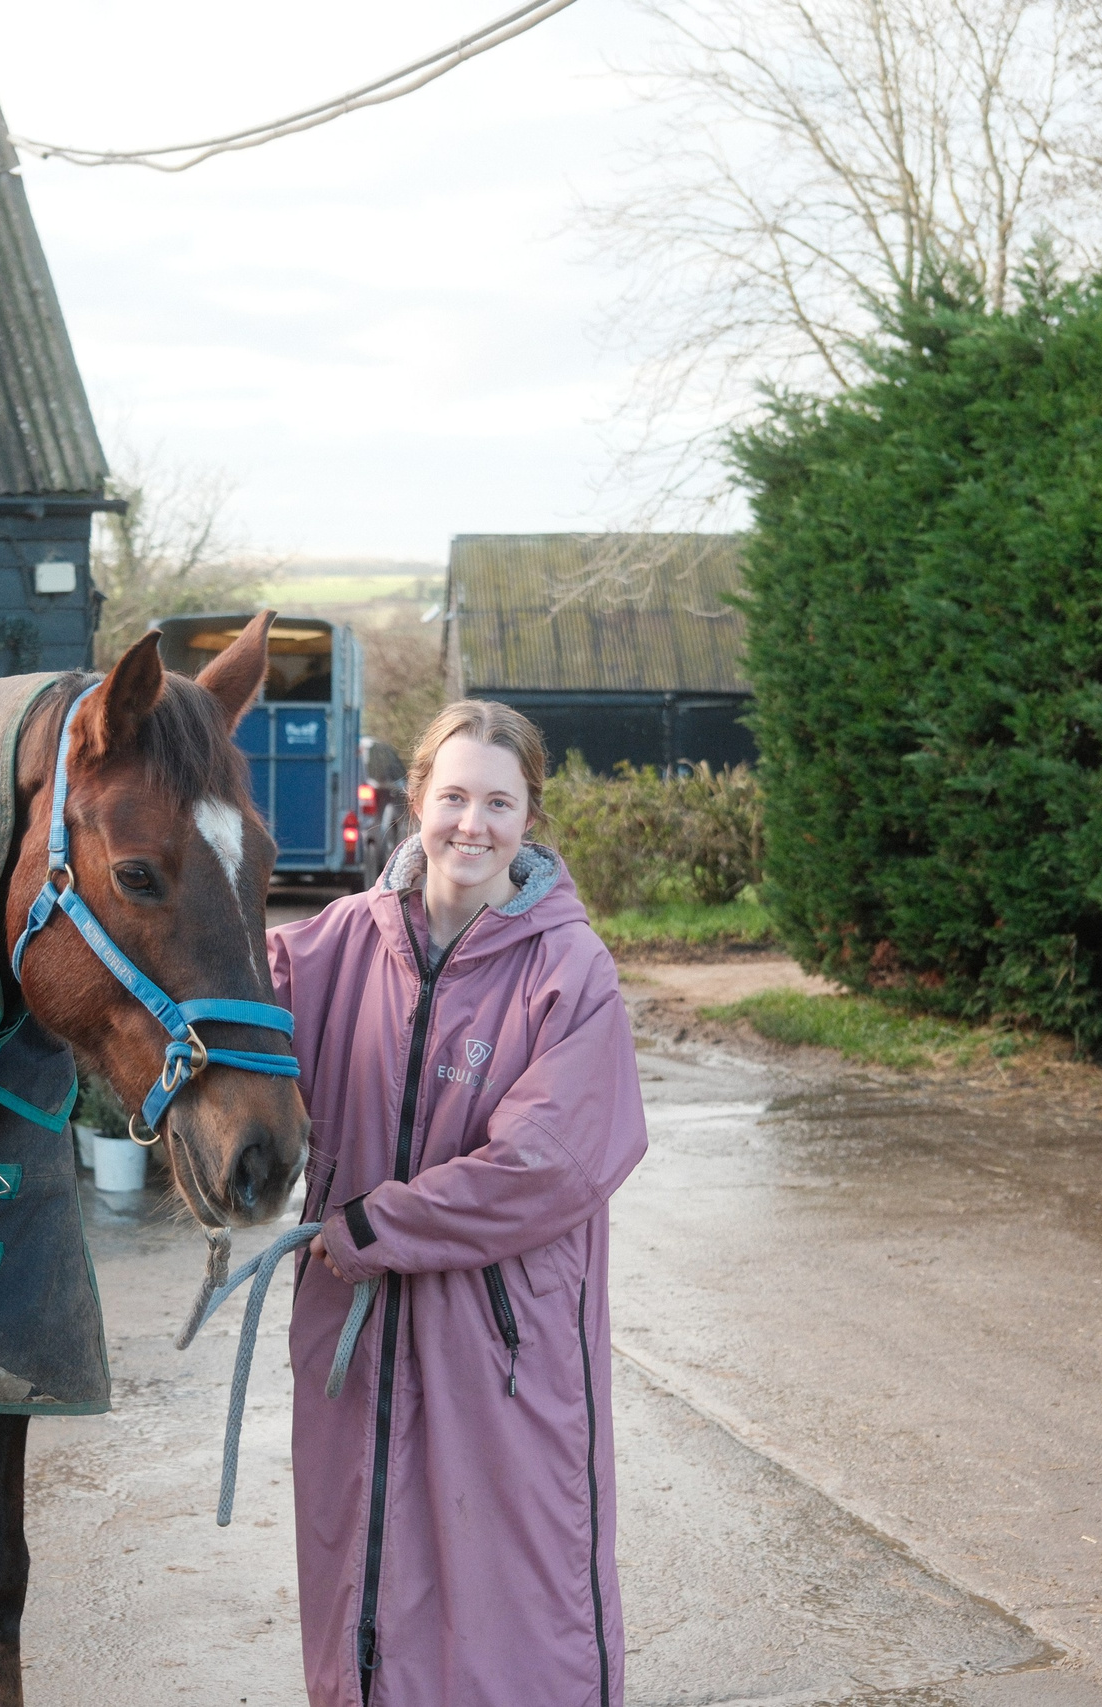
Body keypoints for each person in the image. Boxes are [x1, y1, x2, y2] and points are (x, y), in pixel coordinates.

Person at [267, 700, 651, 1707]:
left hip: (501, 1345)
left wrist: (372, 1226)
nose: (470, 825)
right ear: (415, 803)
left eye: (497, 801)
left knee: (511, 1610)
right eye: (452, 797)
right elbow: (221, 1017)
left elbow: (549, 1163)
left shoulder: (569, 970)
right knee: (358, 1576)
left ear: (530, 818)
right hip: (350, 1339)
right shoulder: (331, 949)